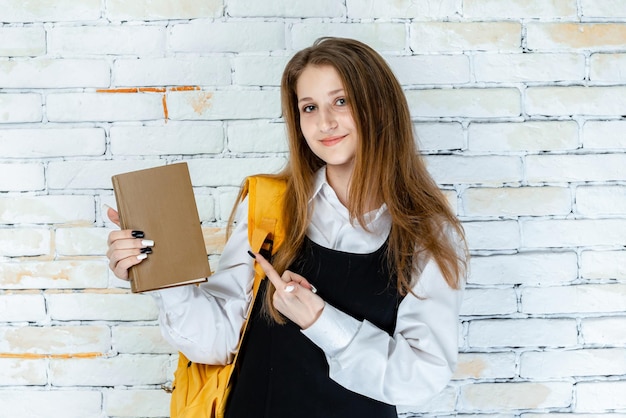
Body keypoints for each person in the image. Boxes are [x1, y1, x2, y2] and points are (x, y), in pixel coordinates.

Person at [106, 37, 467, 418]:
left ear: (379, 106)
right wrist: (161, 275)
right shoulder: (269, 205)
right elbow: (220, 342)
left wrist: (320, 319)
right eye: (309, 107)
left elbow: (422, 377)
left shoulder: (428, 235)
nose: (324, 122)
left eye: (340, 101)